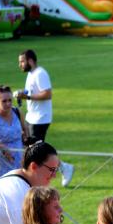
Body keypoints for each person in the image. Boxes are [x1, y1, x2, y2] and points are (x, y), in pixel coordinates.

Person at [17, 50, 73, 185]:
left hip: (40, 118)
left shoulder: (40, 73)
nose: (20, 65)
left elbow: (47, 94)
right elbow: (32, 92)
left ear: (30, 61)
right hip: (32, 117)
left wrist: (27, 96)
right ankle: (61, 168)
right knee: (31, 147)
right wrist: (23, 94)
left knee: (36, 149)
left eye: (22, 61)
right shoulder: (31, 74)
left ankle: (63, 168)